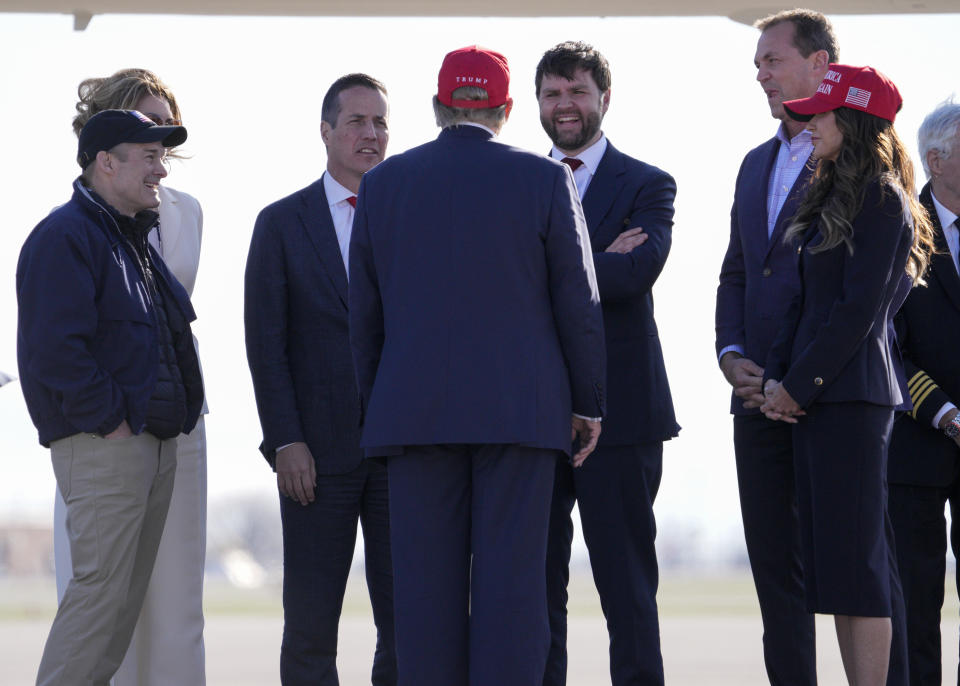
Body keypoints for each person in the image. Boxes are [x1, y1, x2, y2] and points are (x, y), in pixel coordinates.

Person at [349, 46, 606, 686]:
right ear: (507, 108)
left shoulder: (382, 184)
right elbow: (579, 303)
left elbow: (364, 316)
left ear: (438, 108)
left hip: (412, 419)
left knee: (423, 601)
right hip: (521, 418)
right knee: (513, 600)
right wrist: (587, 402)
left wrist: (381, 402)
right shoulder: (547, 180)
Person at [760, 63, 934, 686]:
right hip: (815, 401)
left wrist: (796, 385)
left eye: (822, 113)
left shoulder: (884, 198)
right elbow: (803, 306)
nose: (810, 124)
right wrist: (775, 381)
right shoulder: (830, 194)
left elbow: (856, 313)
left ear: (856, 121)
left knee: (857, 571)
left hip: (853, 402)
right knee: (835, 571)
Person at [17, 109, 203, 686]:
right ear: (106, 162)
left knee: (116, 614)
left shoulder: (132, 238)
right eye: (148, 155)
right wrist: (114, 425)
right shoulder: (65, 236)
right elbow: (54, 353)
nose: (160, 170)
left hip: (151, 444)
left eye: (162, 155)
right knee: (98, 605)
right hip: (107, 446)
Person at [244, 73, 396, 686]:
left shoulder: (413, 215)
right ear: (326, 132)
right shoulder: (281, 224)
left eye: (381, 122)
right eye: (357, 121)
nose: (371, 133)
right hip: (313, 459)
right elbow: (266, 345)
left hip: (400, 453)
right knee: (309, 629)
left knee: (409, 622)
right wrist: (286, 440)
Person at [534, 41, 678, 686]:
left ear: (604, 99)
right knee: (536, 595)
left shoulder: (647, 183)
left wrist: (547, 271)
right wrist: (598, 251)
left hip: (624, 418)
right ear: (536, 103)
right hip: (534, 414)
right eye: (553, 93)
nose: (565, 105)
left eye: (577, 91)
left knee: (627, 590)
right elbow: (506, 285)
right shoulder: (518, 180)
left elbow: (637, 272)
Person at [714, 10, 835, 684]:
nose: (760, 72)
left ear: (819, 65)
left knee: (861, 575)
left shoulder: (855, 157)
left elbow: (859, 294)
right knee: (776, 588)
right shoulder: (753, 165)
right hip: (755, 400)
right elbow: (737, 271)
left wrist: (800, 378)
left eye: (772, 59)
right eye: (758, 62)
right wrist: (731, 356)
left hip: (829, 399)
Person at [887, 99, 960, 686]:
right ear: (936, 159)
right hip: (915, 446)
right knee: (914, 608)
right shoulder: (899, 226)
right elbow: (887, 342)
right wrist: (943, 412)